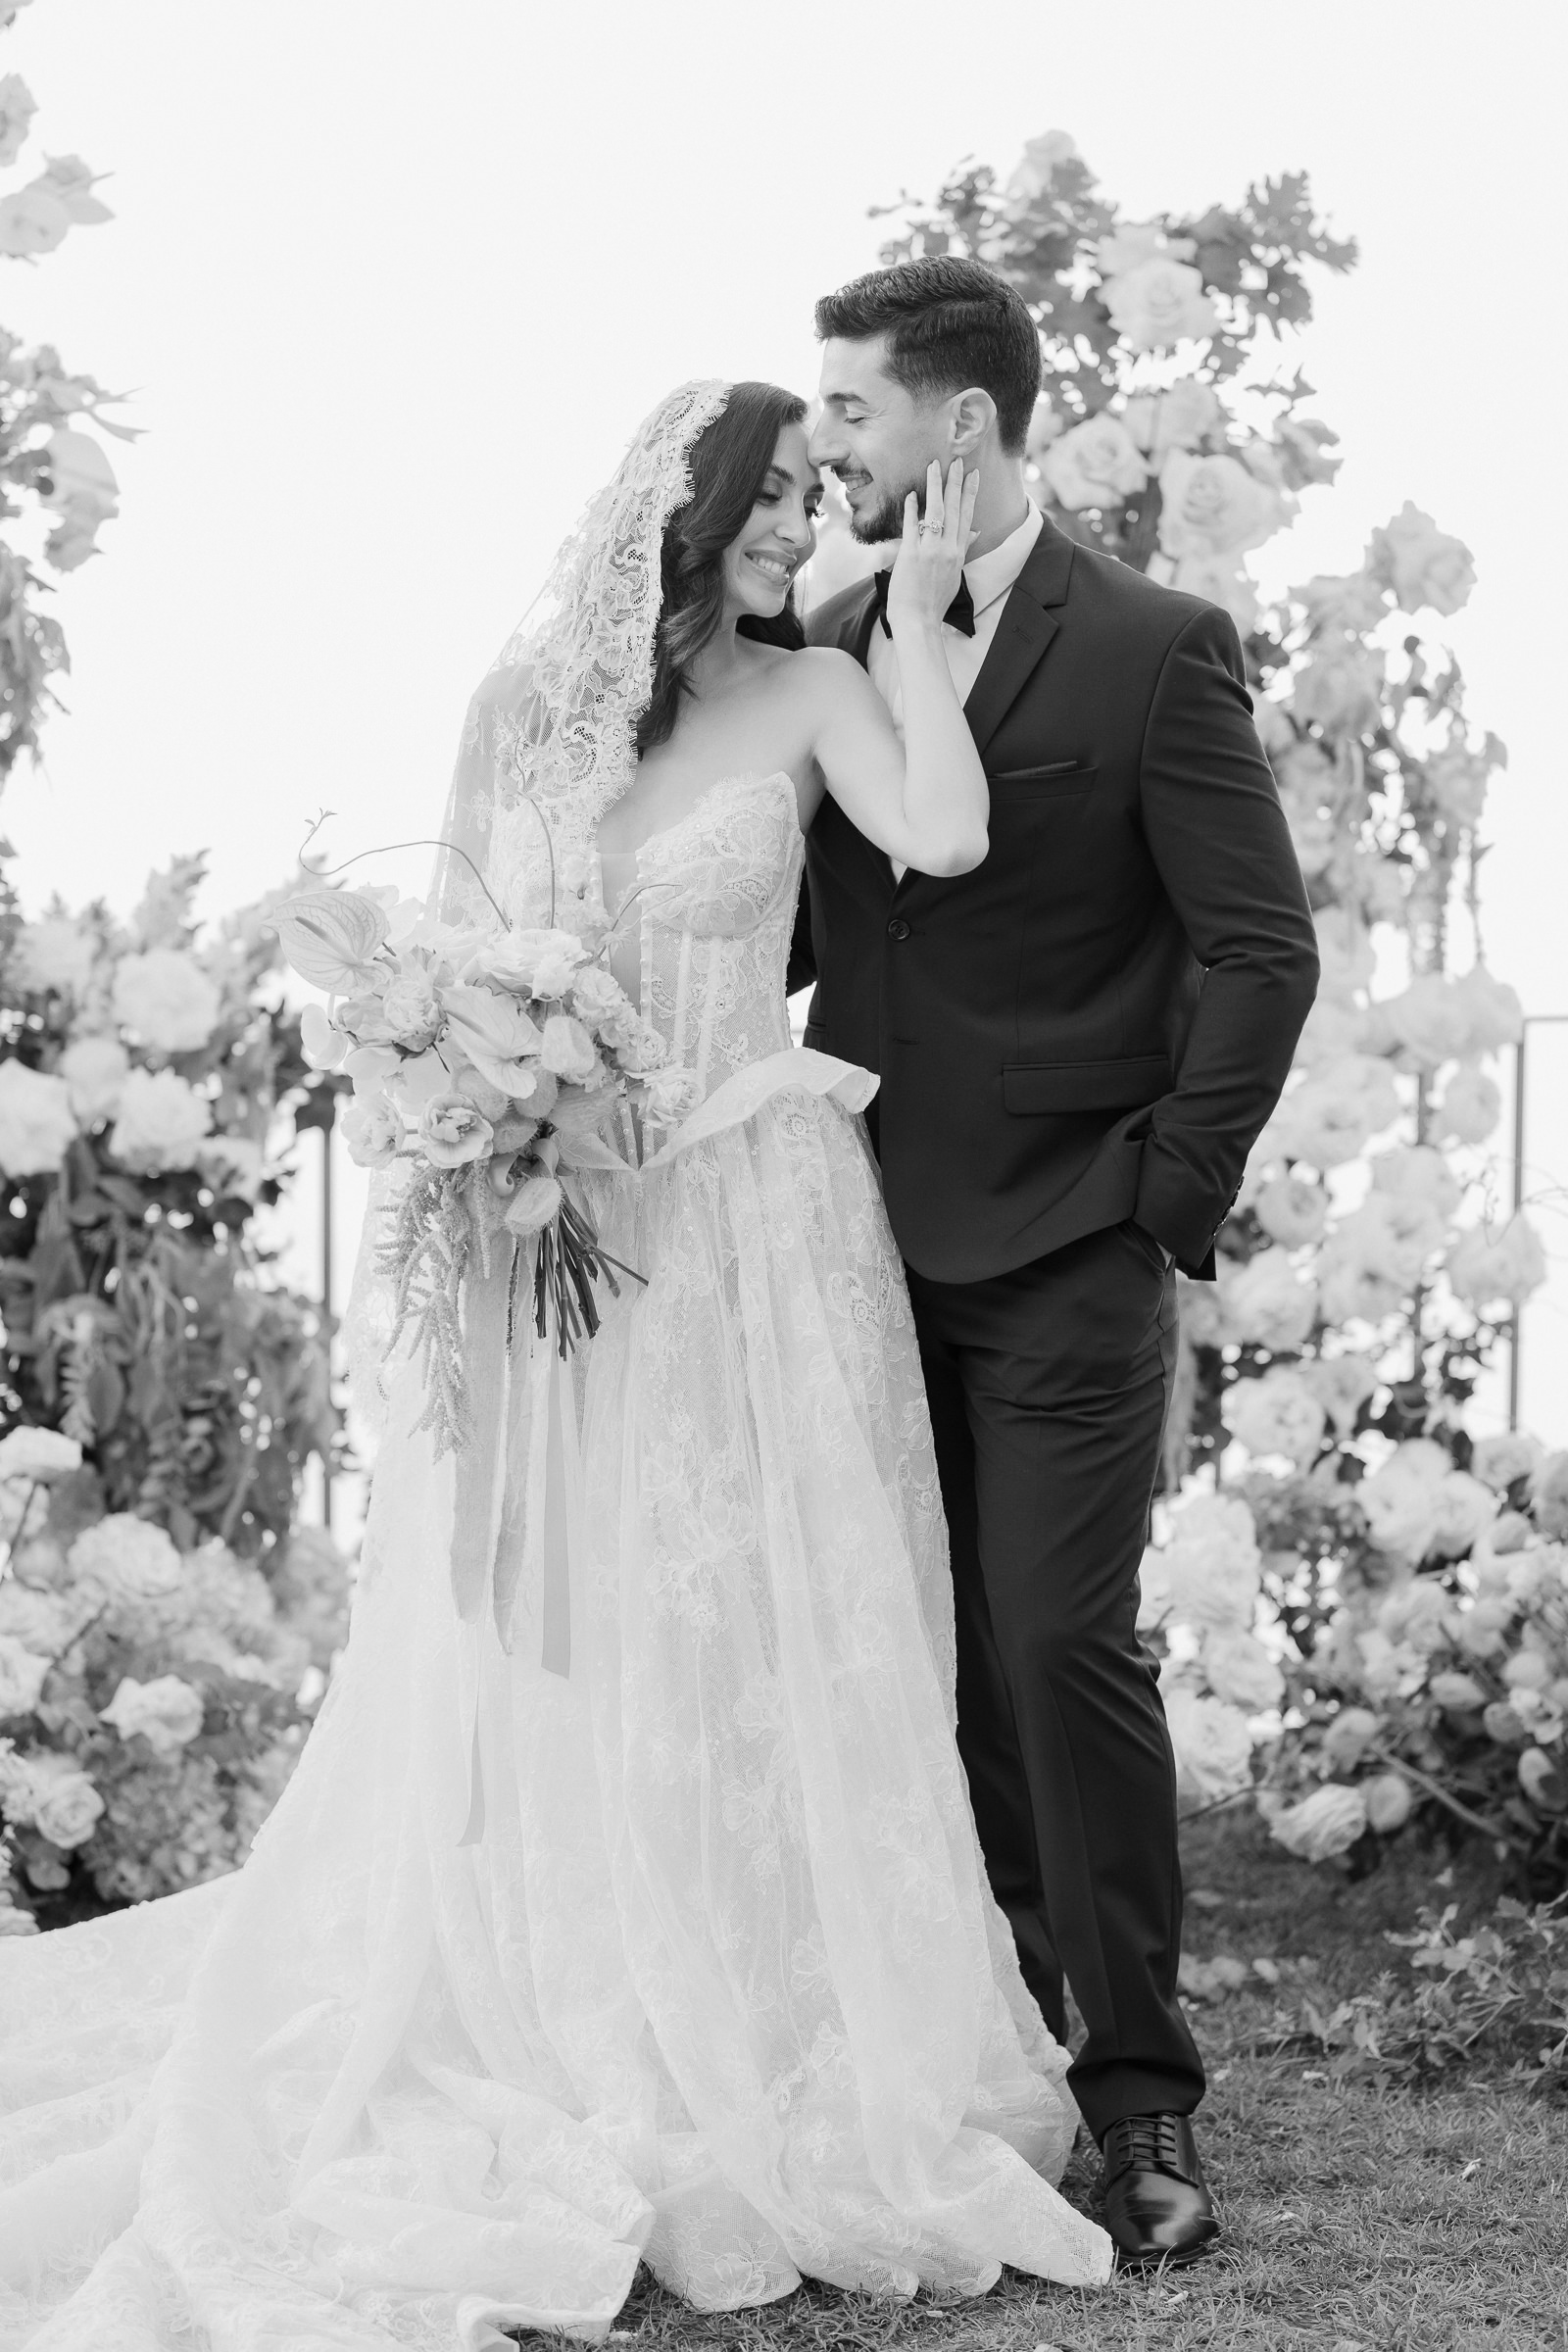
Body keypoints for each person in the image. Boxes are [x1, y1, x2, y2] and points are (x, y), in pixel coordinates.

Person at [0, 380, 1113, 2349]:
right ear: (682, 508)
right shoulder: (521, 706)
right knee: (573, 1612)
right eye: (772, 496)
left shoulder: (821, 685)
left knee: (758, 1606)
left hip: (758, 1216)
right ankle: (576, 1984)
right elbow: (453, 958)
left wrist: (926, 629)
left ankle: (776, 2015)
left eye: (815, 498)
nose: (799, 525)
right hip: (558, 1215)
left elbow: (942, 833)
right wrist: (483, 1122)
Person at [795, 256, 1320, 2269]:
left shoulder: (1154, 649)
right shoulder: (827, 640)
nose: (825, 439)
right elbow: (783, 930)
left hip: (1068, 1245)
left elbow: (1258, 948)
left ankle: (1140, 2092)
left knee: (1056, 1647)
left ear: (960, 423)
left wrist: (1160, 1195)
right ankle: (990, 2059)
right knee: (920, 1661)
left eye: (850, 406)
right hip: (845, 1246)